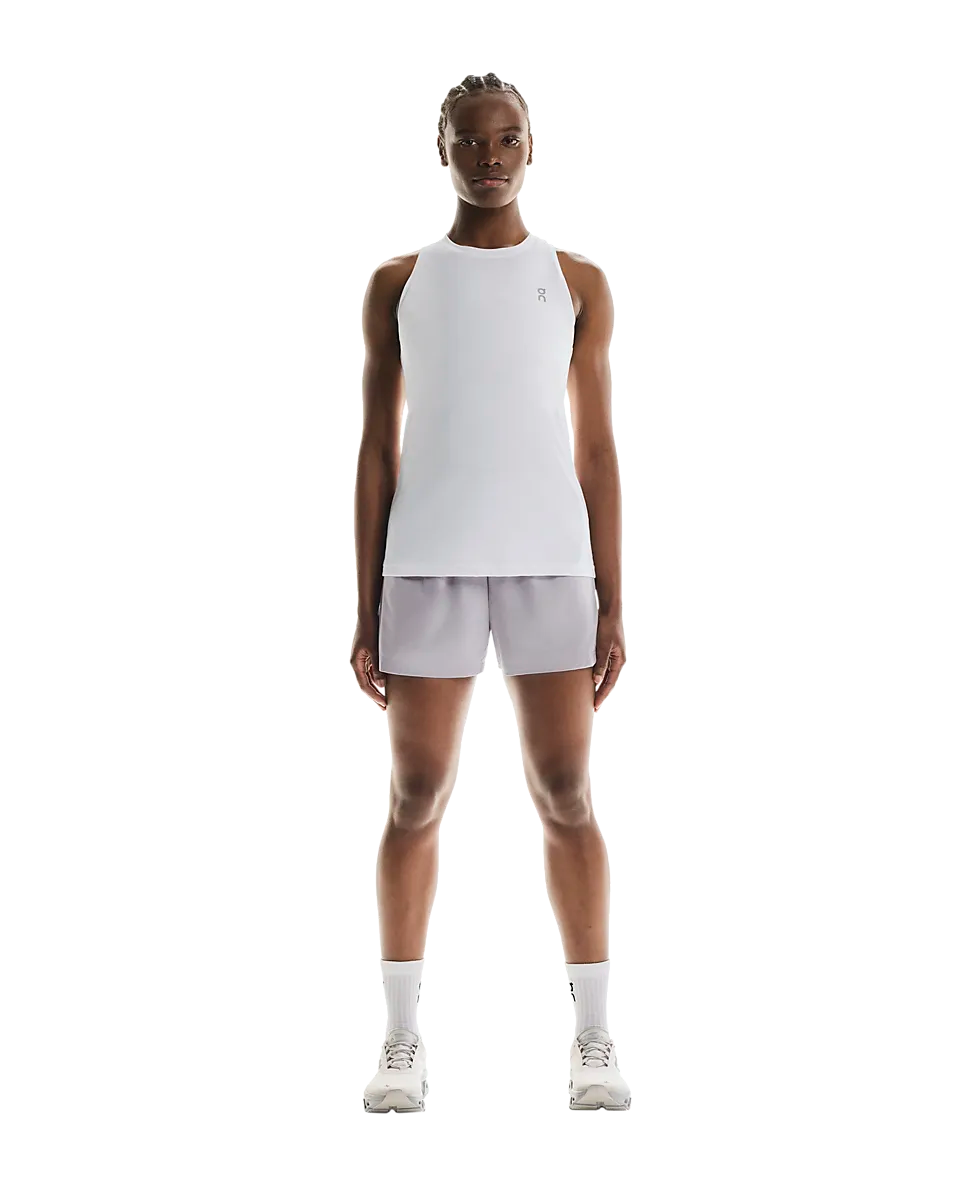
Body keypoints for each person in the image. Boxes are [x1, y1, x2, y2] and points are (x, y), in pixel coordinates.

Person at [354, 72, 628, 1117]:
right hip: (426, 560)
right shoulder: (398, 283)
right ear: (442, 149)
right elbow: (377, 452)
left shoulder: (576, 281)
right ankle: (401, 1045)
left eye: (507, 139)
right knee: (416, 797)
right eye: (470, 141)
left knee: (565, 791)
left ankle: (596, 1041)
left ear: (531, 147)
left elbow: (596, 450)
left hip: (550, 563)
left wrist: (612, 602)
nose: (490, 158)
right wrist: (363, 608)